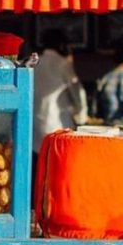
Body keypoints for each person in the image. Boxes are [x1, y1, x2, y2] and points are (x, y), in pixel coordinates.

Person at [32, 28, 86, 160]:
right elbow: (77, 93)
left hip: (34, 127)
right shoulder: (63, 64)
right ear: (63, 46)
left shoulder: (33, 64)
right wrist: (82, 117)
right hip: (58, 126)